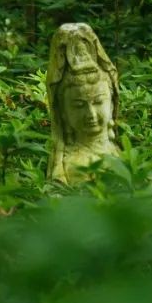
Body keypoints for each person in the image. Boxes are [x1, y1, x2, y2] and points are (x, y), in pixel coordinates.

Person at [45, 23, 119, 183]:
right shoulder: (74, 166)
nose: (91, 114)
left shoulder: (119, 153)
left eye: (98, 102)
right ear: (63, 113)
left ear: (112, 104)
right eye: (79, 105)